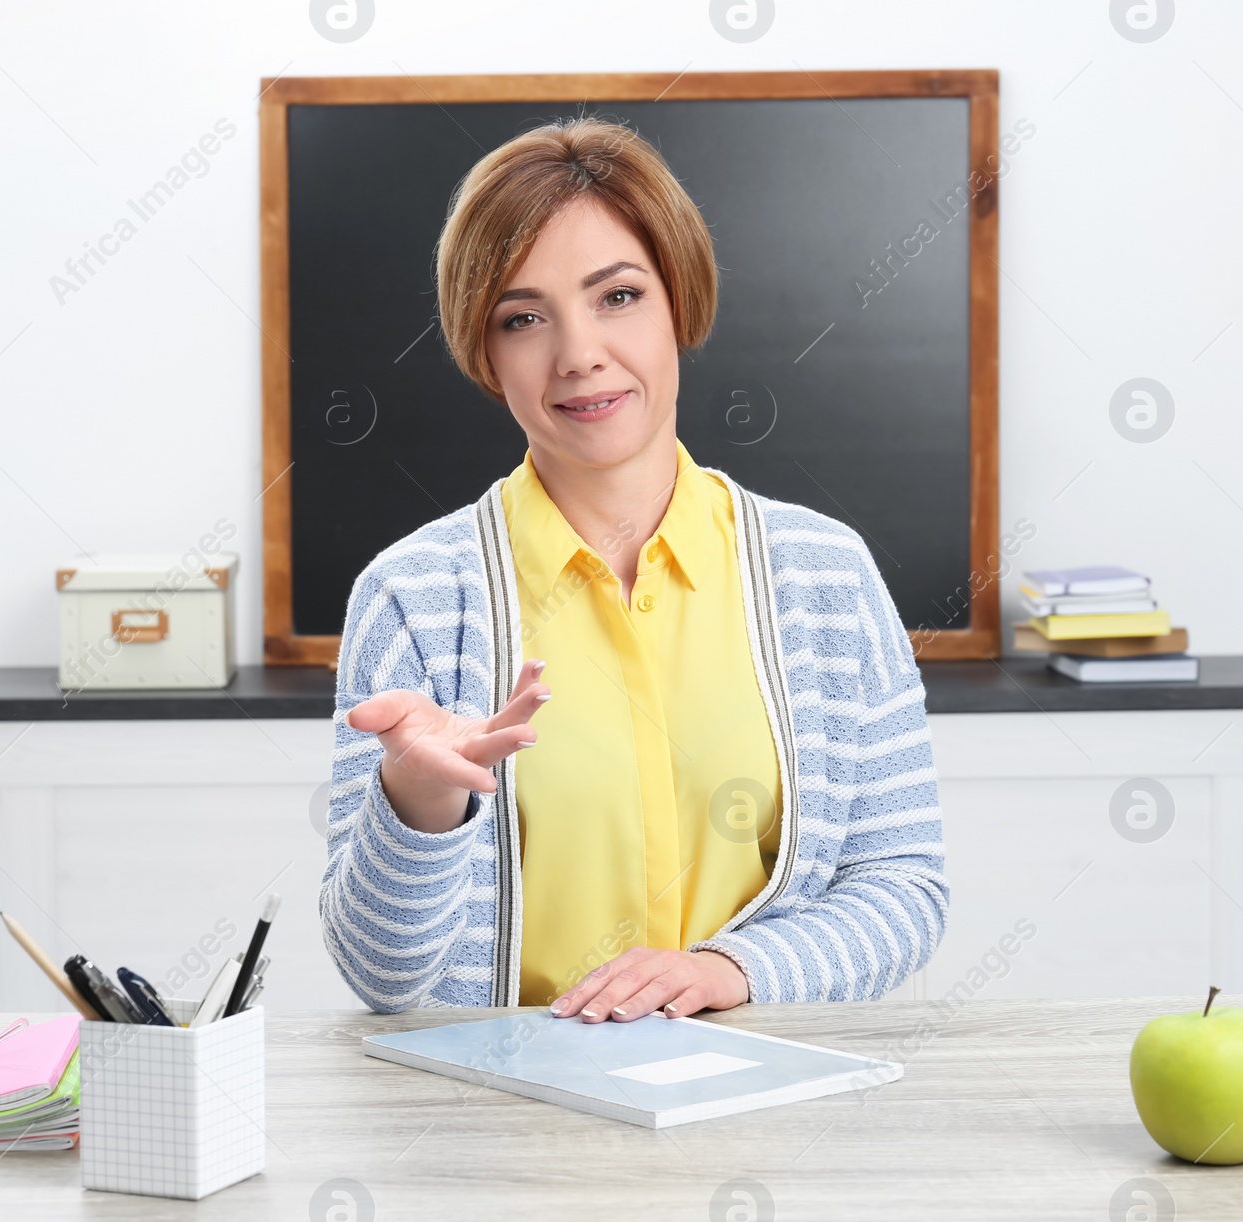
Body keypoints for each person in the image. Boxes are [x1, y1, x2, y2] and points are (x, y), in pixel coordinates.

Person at [320, 116, 947, 1020]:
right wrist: (418, 806)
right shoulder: (415, 600)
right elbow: (383, 981)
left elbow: (902, 888)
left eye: (618, 297)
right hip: (501, 1126)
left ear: (679, 302)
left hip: (762, 1117)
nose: (579, 355)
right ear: (485, 353)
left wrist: (727, 971)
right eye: (523, 317)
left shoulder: (826, 578)